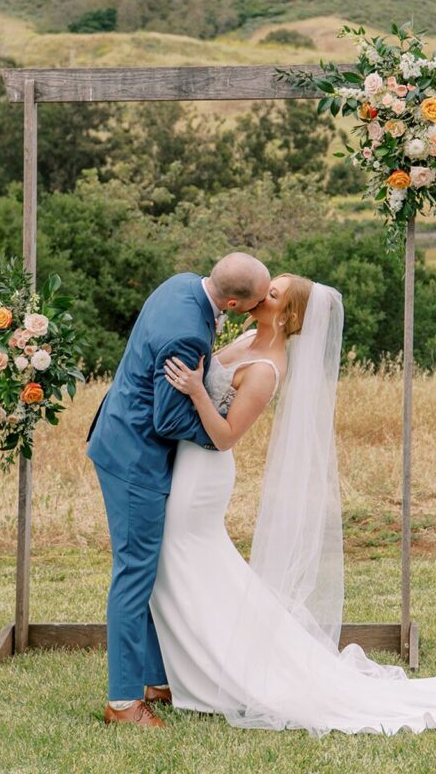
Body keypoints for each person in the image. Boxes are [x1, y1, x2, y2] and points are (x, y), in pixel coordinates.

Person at [147, 274, 436, 736]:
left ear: (289, 315)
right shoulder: (245, 336)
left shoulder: (268, 366)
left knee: (180, 558)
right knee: (192, 564)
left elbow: (226, 437)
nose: (263, 291)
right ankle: (191, 666)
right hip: (186, 460)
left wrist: (196, 391)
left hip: (205, 471)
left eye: (274, 293)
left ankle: (209, 670)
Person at [86, 252, 270, 728]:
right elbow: (166, 418)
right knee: (134, 571)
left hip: (121, 434)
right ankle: (124, 702)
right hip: (135, 459)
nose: (250, 313)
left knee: (149, 565)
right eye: (248, 306)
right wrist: (220, 435)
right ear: (231, 302)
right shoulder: (188, 332)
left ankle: (154, 678)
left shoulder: (182, 283)